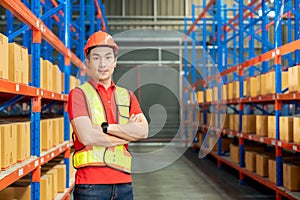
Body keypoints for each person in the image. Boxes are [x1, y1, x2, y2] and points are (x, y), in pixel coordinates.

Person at [68, 30, 149, 200]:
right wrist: (127, 134)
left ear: (115, 62)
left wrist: (106, 128)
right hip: (91, 186)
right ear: (88, 62)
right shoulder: (78, 94)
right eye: (96, 58)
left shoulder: (127, 96)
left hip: (124, 184)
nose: (102, 64)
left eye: (108, 57)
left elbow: (143, 132)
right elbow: (87, 137)